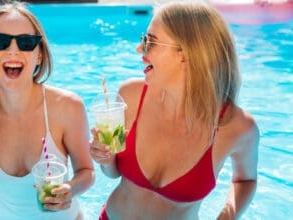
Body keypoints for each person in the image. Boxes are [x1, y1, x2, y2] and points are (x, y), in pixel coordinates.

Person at [90, 1, 259, 219]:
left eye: (151, 41)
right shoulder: (130, 95)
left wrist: (227, 216)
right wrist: (105, 158)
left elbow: (245, 180)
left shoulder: (236, 127)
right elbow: (112, 174)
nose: (139, 48)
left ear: (186, 54)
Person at [0, 2, 94, 220]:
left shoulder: (67, 107)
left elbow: (86, 172)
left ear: (39, 55)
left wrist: (70, 189)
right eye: (0, 42)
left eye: (26, 43)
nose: (13, 50)